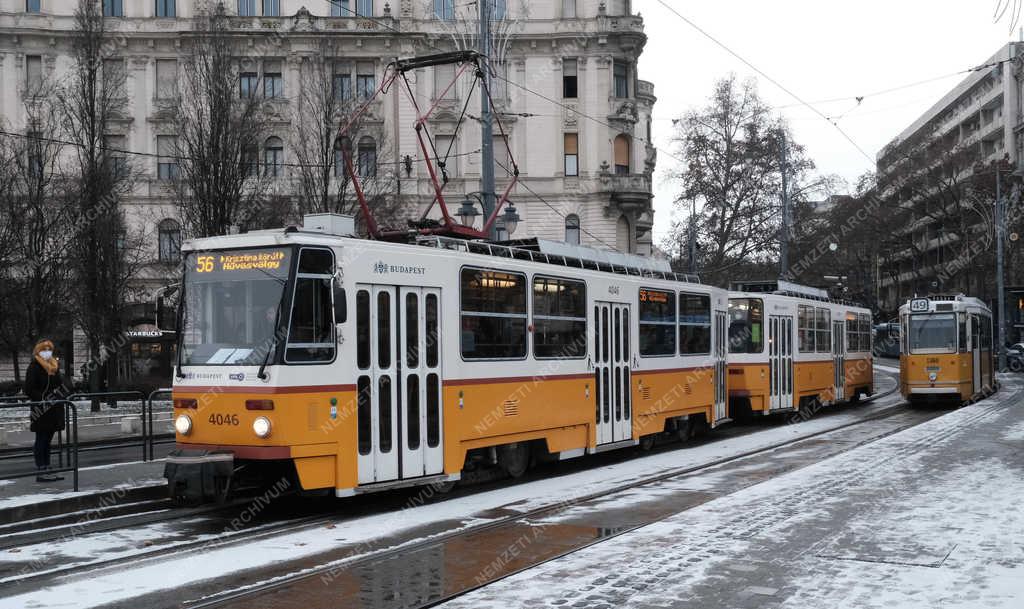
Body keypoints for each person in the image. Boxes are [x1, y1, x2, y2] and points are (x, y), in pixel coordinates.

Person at [25, 339, 67, 483]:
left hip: (53, 409)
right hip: (41, 409)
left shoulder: (54, 366)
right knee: (41, 439)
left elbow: (61, 385)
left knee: (48, 440)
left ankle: (48, 467)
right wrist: (43, 398)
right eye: (44, 349)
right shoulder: (34, 367)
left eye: (49, 349)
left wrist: (60, 395)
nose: (47, 352)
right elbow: (29, 389)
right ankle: (41, 470)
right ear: (38, 351)